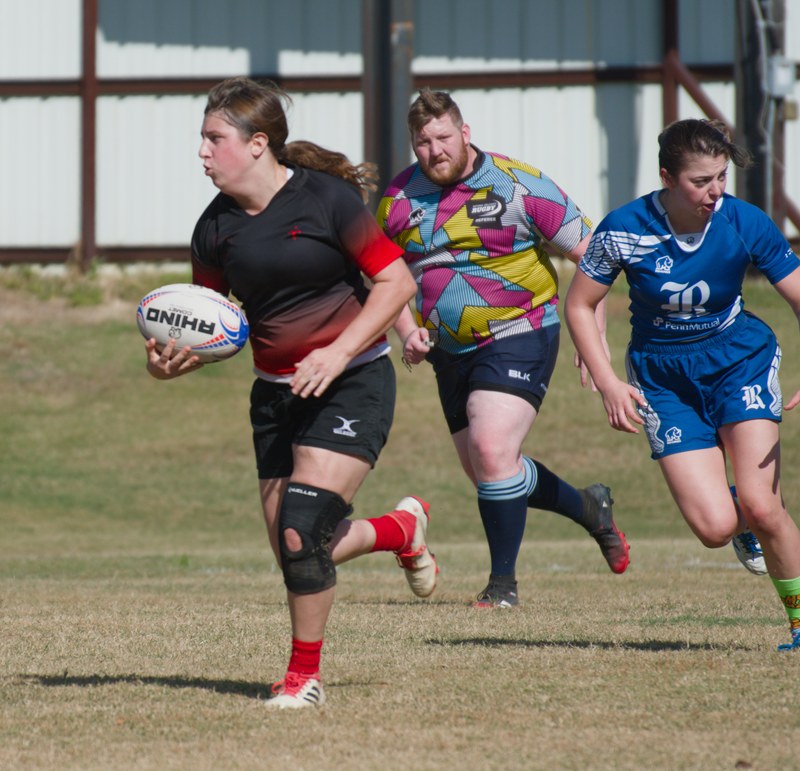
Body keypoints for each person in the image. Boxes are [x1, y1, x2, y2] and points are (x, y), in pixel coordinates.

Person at [144, 76, 439, 709]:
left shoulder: (327, 200)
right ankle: (399, 529)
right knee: (296, 549)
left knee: (303, 534)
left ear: (257, 143)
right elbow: (218, 328)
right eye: (201, 139)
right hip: (275, 394)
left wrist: (337, 353)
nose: (202, 152)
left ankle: (304, 679)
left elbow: (395, 285)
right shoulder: (214, 230)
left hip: (353, 379)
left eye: (212, 139)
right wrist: (171, 365)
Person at [377, 88, 630, 609]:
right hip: (449, 350)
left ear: (465, 133)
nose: (434, 150)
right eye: (422, 142)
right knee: (492, 469)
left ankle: (502, 588)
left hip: (522, 329)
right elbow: (384, 272)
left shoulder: (519, 185)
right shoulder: (398, 199)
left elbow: (594, 255)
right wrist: (406, 329)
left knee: (492, 453)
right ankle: (589, 508)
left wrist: (594, 335)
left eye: (443, 137)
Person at [564, 117, 800, 650]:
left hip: (738, 358)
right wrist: (607, 381)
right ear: (667, 178)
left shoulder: (744, 221)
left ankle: (799, 623)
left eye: (721, 177)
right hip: (663, 377)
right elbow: (579, 304)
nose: (715, 192)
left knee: (764, 507)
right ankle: (739, 510)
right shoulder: (625, 227)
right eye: (701, 182)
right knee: (716, 528)